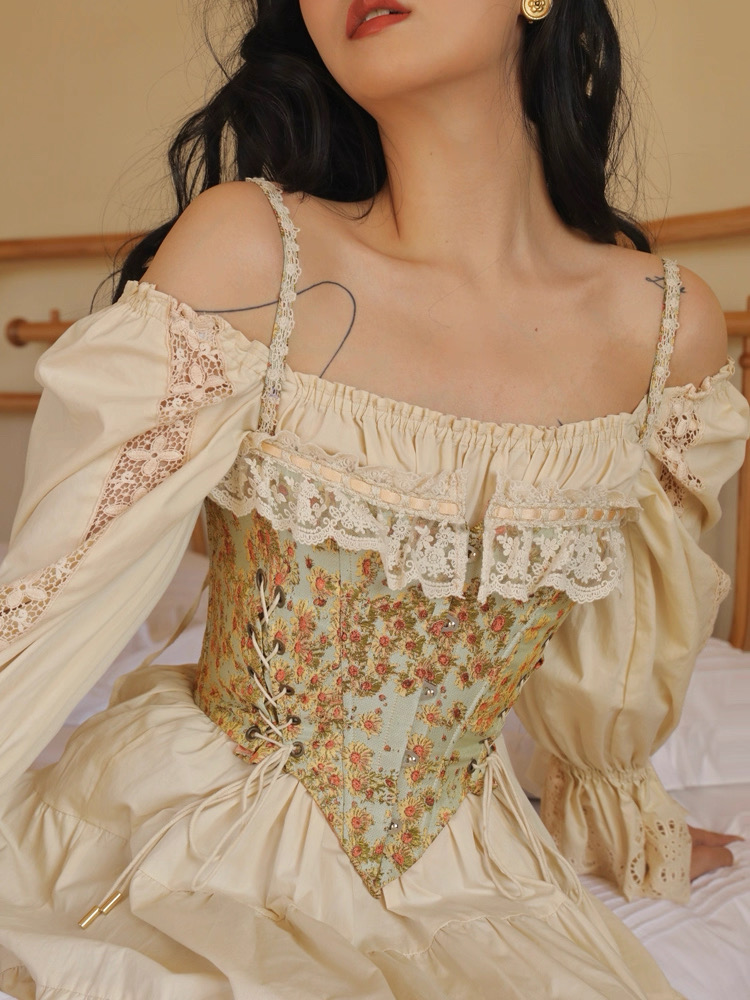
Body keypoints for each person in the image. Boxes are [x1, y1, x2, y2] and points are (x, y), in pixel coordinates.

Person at [0, 0, 747, 996]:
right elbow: (43, 600)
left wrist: (614, 805)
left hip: (467, 869)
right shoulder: (252, 249)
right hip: (189, 828)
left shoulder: (665, 332)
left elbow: (625, 649)